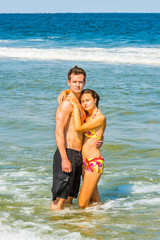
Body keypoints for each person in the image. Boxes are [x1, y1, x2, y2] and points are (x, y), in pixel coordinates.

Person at [51, 66, 102, 210]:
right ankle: (51, 229)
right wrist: (64, 158)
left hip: (79, 155)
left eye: (80, 82)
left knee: (69, 198)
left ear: (84, 83)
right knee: (59, 198)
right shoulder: (66, 104)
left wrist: (98, 139)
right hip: (67, 153)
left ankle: (68, 229)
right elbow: (59, 132)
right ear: (68, 82)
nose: (77, 85)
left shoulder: (82, 104)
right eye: (74, 82)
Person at [67, 89, 106, 208]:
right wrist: (65, 92)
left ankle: (86, 224)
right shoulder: (88, 116)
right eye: (82, 101)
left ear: (95, 100)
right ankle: (97, 222)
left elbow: (79, 128)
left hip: (94, 162)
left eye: (88, 100)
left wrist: (74, 106)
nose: (85, 103)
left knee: (82, 203)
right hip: (85, 162)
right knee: (94, 200)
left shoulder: (100, 117)